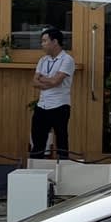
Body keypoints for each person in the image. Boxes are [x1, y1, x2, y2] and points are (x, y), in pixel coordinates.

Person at [30, 26, 75, 159]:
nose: (42, 44)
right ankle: (35, 165)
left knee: (61, 138)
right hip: (42, 104)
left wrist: (43, 79)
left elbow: (56, 81)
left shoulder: (67, 59)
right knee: (38, 138)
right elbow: (34, 82)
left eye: (45, 41)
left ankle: (62, 164)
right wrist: (47, 81)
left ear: (55, 41)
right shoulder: (43, 60)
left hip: (59, 104)